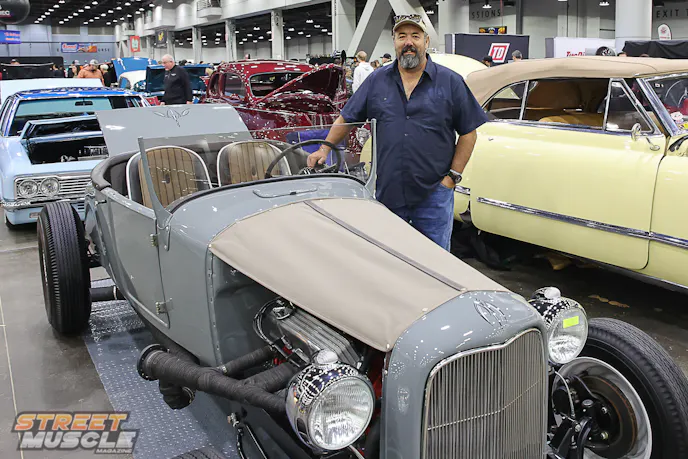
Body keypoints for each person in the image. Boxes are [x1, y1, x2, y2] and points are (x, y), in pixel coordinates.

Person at [306, 14, 487, 251]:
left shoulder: (450, 82)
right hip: (389, 191)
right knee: (391, 257)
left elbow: (469, 133)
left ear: (426, 41)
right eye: (402, 36)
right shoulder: (377, 81)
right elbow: (347, 118)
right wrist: (324, 149)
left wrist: (452, 178)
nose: (408, 42)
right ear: (394, 42)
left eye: (415, 36)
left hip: (434, 193)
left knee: (434, 260)